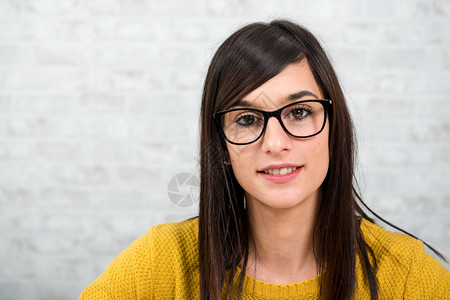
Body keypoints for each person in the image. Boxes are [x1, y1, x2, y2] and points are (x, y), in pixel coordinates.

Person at [80, 19, 450, 299]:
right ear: (221, 146)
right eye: (247, 119)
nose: (275, 143)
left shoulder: (407, 276)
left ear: (333, 130)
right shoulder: (163, 263)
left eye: (300, 112)